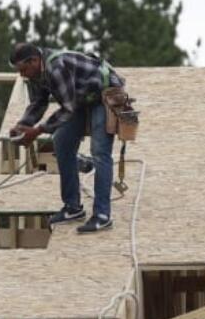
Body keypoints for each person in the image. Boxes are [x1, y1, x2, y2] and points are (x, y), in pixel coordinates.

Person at [9, 42, 124, 234]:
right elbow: (39, 102)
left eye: (23, 69)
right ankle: (73, 208)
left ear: (34, 61)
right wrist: (24, 125)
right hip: (81, 98)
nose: (22, 75)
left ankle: (102, 216)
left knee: (100, 152)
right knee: (61, 142)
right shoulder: (37, 73)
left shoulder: (55, 68)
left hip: (105, 94)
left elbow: (68, 108)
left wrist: (37, 131)